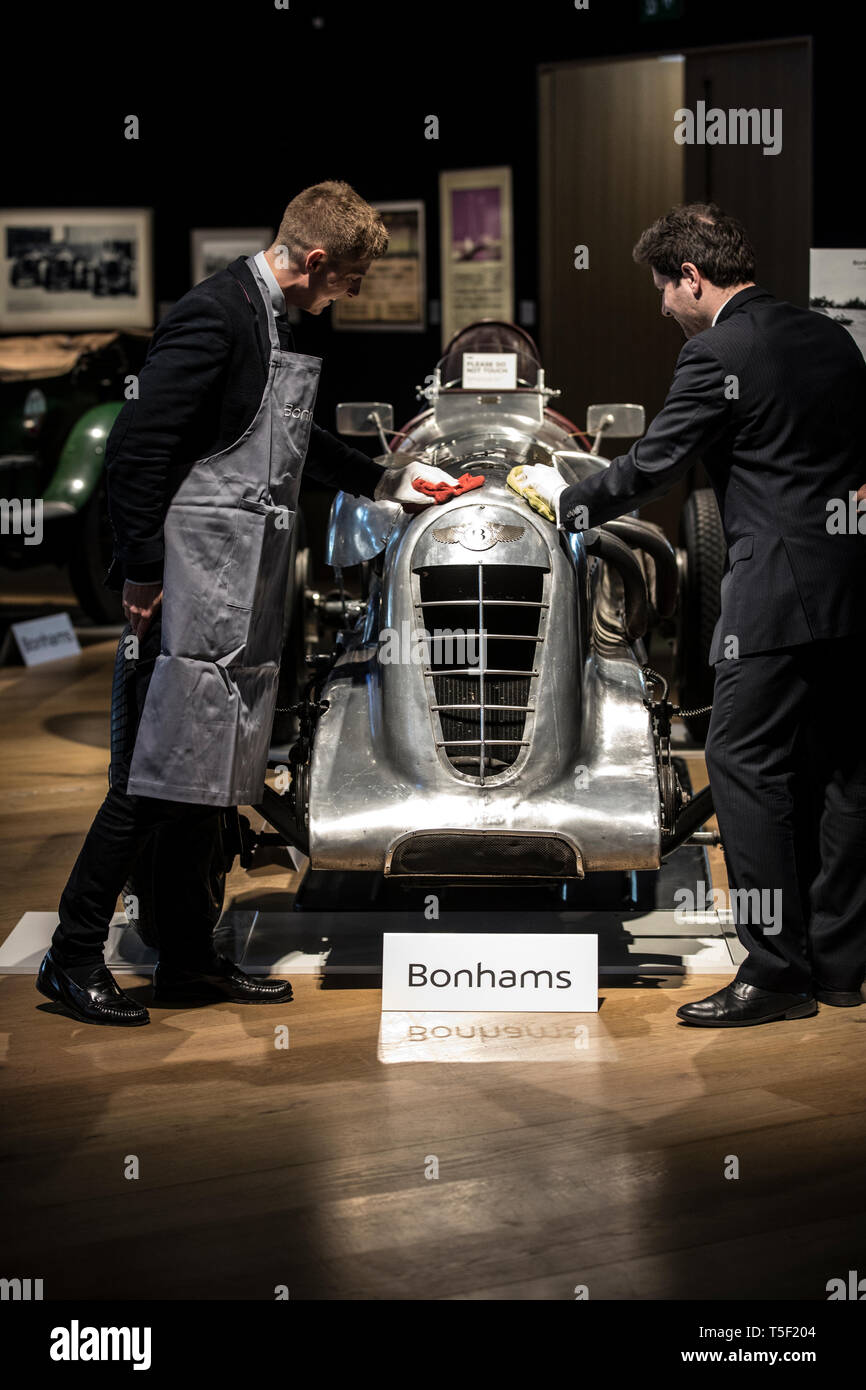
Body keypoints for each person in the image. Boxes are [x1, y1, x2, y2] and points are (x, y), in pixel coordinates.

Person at [37, 180, 447, 1027]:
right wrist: (141, 572)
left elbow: (294, 443)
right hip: (191, 583)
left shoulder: (269, 318)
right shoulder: (214, 314)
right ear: (318, 261)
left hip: (237, 588)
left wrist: (388, 480)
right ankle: (71, 954)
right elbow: (136, 452)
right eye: (351, 279)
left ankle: (187, 958)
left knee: (211, 780)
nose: (354, 295)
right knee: (153, 780)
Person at [508, 202, 866, 1027]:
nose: (662, 308)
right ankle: (840, 965)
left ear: (691, 278)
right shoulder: (830, 337)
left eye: (663, 291)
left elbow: (654, 465)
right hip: (851, 585)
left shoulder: (716, 352)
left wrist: (568, 497)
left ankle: (776, 972)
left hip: (775, 594)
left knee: (743, 766)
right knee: (843, 771)